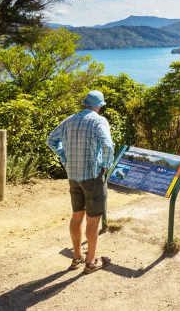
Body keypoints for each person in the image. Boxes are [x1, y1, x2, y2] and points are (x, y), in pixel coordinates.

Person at [47, 89, 114, 274]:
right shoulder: (99, 121)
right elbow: (108, 145)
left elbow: (51, 140)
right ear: (99, 106)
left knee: (77, 216)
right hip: (93, 176)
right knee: (93, 221)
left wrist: (64, 156)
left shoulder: (70, 120)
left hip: (73, 176)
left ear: (85, 104)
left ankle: (77, 256)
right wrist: (106, 165)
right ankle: (91, 262)